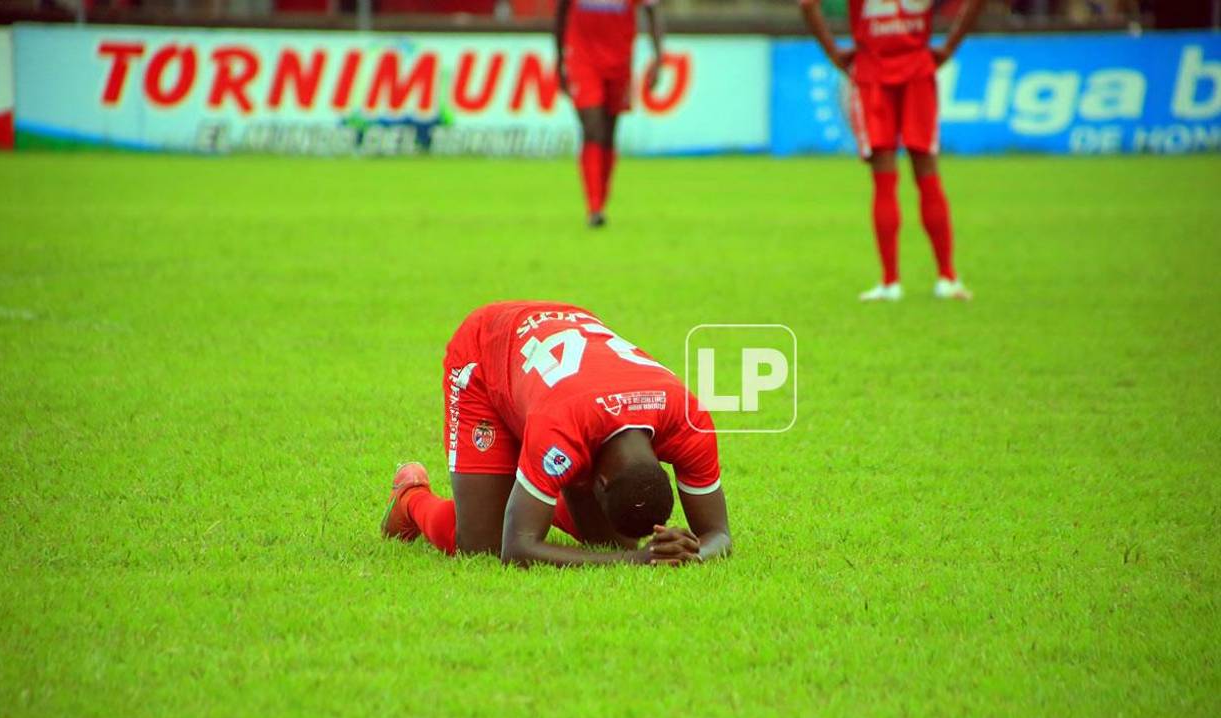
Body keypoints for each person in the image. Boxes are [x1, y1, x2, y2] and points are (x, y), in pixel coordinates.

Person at [381, 301, 732, 567]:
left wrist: (693, 552)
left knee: (611, 541)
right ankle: (410, 499)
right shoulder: (562, 427)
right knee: (480, 544)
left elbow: (720, 534)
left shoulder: (690, 420)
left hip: (564, 370)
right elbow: (516, 547)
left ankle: (540, 500)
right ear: (599, 482)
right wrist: (633, 561)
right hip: (487, 352)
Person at [799, 0, 984, 302]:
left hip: (872, 75)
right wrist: (949, 47)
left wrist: (833, 53)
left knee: (884, 180)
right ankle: (947, 277)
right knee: (927, 175)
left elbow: (807, 4)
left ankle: (890, 282)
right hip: (918, 70)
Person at [555, 0, 664, 228]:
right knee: (592, 127)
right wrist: (559, 61)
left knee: (608, 132)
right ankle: (594, 208)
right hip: (582, 57)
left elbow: (652, 11)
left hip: (619, 59)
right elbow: (561, 11)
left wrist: (658, 58)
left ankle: (601, 201)